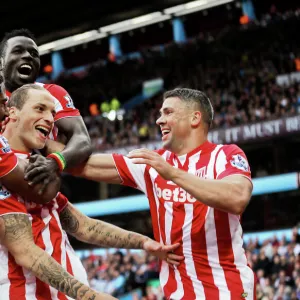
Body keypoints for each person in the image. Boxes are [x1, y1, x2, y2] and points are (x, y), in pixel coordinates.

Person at [45, 88, 256, 299]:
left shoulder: (226, 155)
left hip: (228, 290)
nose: (159, 120)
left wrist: (172, 173)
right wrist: (35, 137)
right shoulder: (153, 164)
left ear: (195, 117)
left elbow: (236, 199)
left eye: (168, 112)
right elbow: (84, 165)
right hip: (176, 294)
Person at [0, 83, 182, 299]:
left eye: (52, 112)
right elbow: (25, 252)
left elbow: (83, 226)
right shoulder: (6, 170)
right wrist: (91, 296)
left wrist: (143, 243)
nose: (50, 119)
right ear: (12, 112)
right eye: (40, 109)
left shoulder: (35, 166)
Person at [0, 28, 92, 191]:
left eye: (34, 54)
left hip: (38, 189)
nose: (28, 56)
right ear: (1, 62)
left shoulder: (52, 94)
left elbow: (82, 139)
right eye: (18, 51)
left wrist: (55, 162)